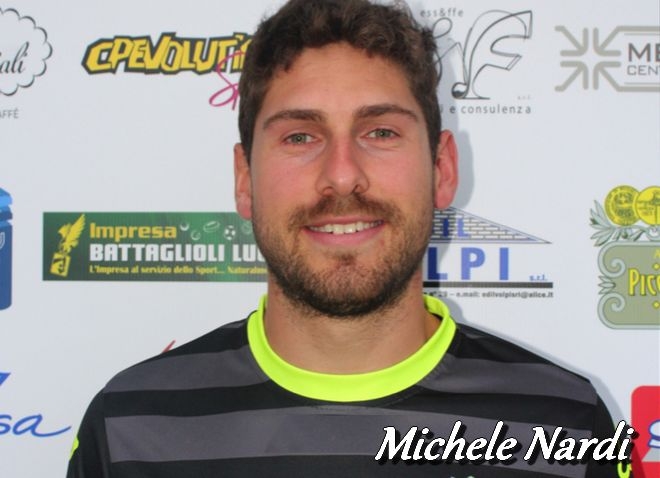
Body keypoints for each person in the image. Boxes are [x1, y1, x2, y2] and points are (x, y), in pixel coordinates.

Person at [66, 0, 632, 476]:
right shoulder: (127, 429)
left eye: (380, 131)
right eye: (300, 136)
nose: (341, 175)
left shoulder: (568, 428)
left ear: (442, 169)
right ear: (244, 180)